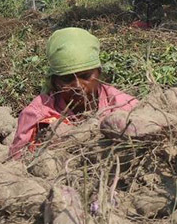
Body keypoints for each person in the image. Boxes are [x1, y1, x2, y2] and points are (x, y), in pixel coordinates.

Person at [10, 27, 139, 158]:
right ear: (55, 81)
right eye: (67, 79)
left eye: (86, 76)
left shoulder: (126, 106)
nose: (77, 86)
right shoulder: (37, 115)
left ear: (99, 73)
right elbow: (17, 164)